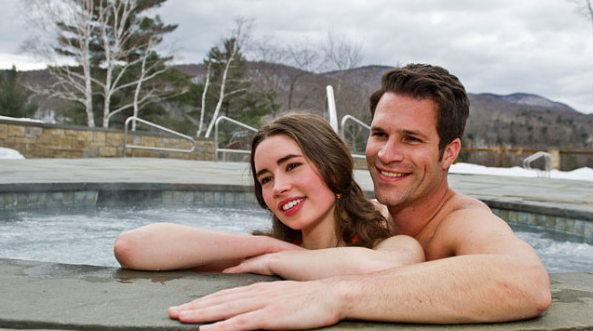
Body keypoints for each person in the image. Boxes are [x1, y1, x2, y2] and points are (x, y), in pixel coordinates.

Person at [167, 64, 552, 331]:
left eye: (411, 139)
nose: (387, 154)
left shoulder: (463, 221)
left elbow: (527, 283)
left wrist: (336, 295)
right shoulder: (368, 213)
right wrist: (270, 248)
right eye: (380, 134)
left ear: (449, 153)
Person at [114, 113, 424, 279]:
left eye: (292, 166)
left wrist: (279, 262)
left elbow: (385, 271)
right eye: (266, 178)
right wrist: (266, 247)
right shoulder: (270, 251)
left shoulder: (386, 233)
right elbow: (131, 247)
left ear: (332, 167)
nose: (277, 187)